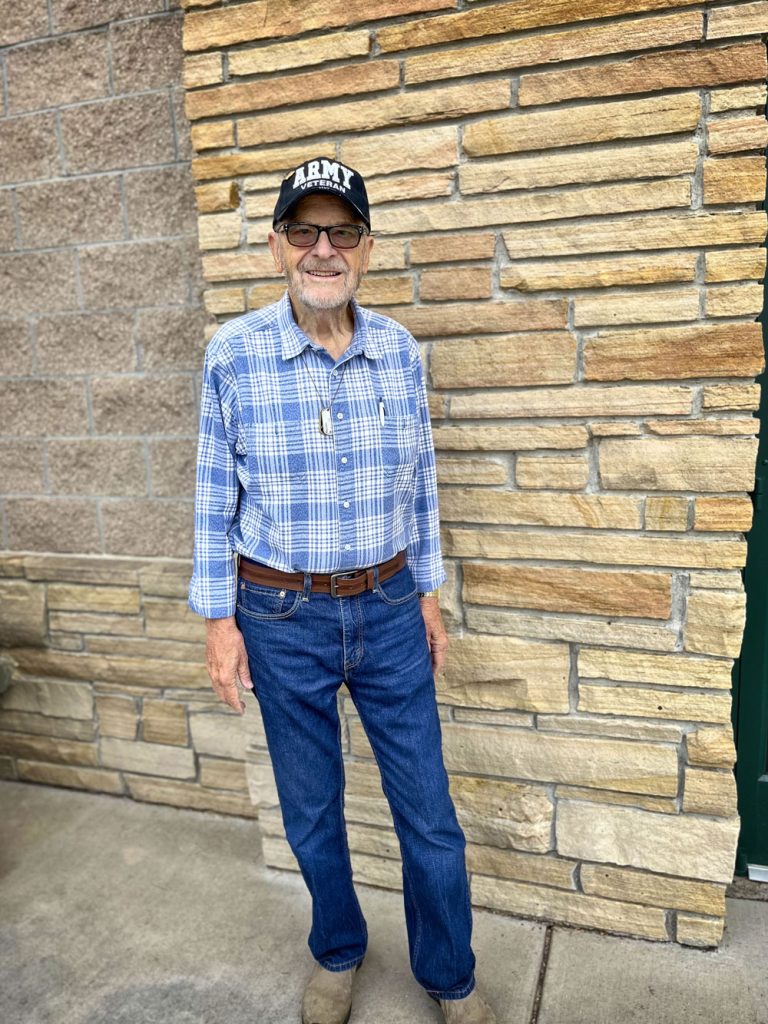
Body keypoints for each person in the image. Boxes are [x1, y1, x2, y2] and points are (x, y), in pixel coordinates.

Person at [188, 156, 497, 1024]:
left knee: (429, 815)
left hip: (392, 606)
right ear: (279, 246)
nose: (323, 248)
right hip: (280, 615)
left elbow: (423, 484)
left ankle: (451, 974)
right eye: (304, 230)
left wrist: (428, 597)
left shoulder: (397, 351)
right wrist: (220, 621)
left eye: (343, 231)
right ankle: (338, 950)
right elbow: (215, 493)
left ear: (365, 247)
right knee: (313, 811)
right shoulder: (236, 355)